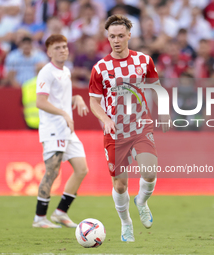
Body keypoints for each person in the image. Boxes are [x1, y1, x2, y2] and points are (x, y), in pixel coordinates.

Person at [89, 15, 171, 242]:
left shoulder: (144, 61)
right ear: (107, 37)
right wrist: (105, 119)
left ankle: (142, 201)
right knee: (120, 184)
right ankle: (126, 223)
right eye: (112, 36)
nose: (116, 40)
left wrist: (163, 110)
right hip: (115, 132)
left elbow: (156, 87)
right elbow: (94, 102)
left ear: (129, 36)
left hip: (140, 126)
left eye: (120, 36)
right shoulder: (100, 68)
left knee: (150, 172)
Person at [32, 34, 89, 228]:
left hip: (67, 128)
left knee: (82, 169)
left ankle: (60, 213)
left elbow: (63, 98)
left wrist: (77, 99)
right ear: (48, 52)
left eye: (64, 46)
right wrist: (64, 114)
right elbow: (41, 101)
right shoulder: (46, 72)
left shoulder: (65, 71)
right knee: (52, 172)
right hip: (53, 129)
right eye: (57, 48)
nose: (63, 50)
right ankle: (39, 218)